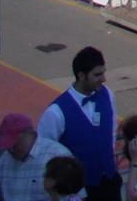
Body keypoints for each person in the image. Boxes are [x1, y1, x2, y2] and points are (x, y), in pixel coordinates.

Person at [36, 48, 118, 201]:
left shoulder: (107, 95)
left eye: (103, 73)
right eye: (97, 75)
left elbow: (112, 132)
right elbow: (43, 152)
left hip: (109, 182)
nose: (103, 79)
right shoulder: (55, 112)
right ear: (81, 75)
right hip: (78, 192)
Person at [0, 114, 68, 201]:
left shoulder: (57, 155)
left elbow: (72, 197)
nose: (11, 150)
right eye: (8, 145)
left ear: (30, 134)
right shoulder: (5, 159)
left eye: (15, 144)